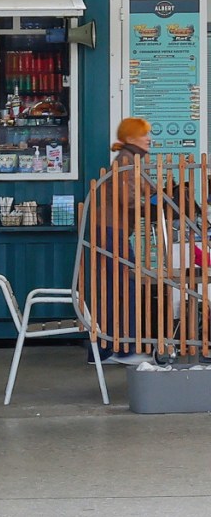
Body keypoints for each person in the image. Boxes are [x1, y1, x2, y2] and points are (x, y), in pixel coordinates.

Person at [95, 116, 153, 365]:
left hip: (112, 229)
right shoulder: (126, 160)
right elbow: (127, 198)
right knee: (124, 286)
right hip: (111, 230)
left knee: (113, 287)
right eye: (144, 134)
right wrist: (149, 206)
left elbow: (142, 189)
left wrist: (154, 196)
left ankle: (104, 350)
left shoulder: (132, 160)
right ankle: (123, 350)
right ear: (131, 138)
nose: (149, 138)